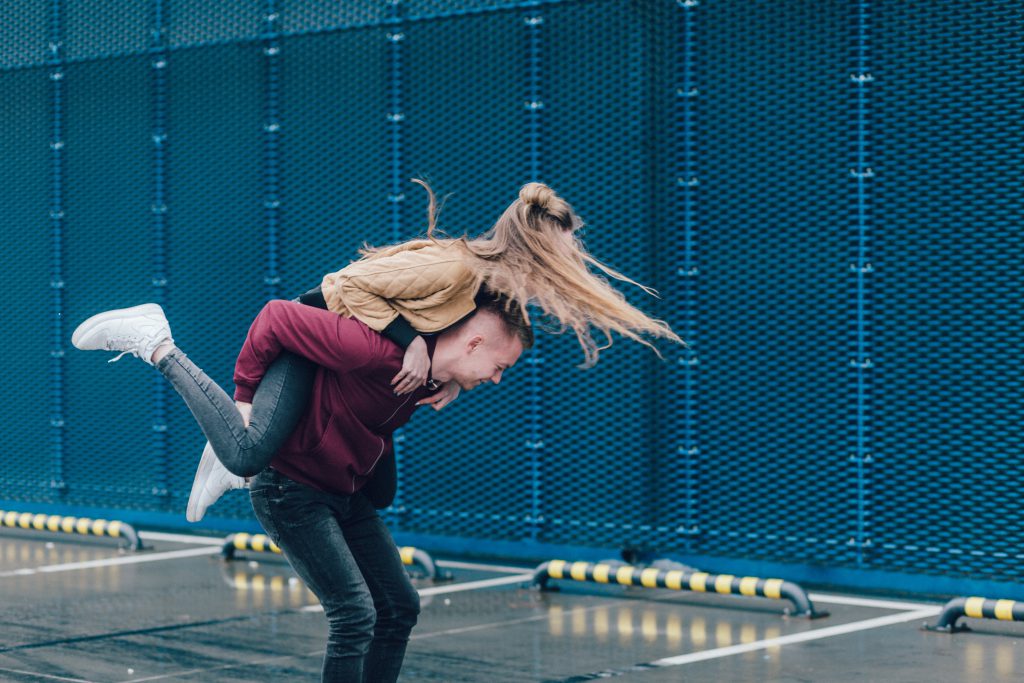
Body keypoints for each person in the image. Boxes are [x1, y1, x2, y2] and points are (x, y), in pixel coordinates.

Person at [71, 294, 532, 682]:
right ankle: (158, 346)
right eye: (499, 366)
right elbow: (278, 314)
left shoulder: (428, 374)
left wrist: (448, 379)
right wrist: (245, 403)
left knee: (399, 606)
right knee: (354, 614)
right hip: (290, 490)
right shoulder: (377, 351)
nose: (496, 379)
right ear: (473, 343)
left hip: (342, 491)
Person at [177, 180, 686, 520]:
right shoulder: (458, 268)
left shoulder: (491, 291)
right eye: (568, 249)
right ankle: (206, 416)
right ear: (539, 247)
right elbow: (343, 285)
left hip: (349, 353)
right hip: (312, 335)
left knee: (374, 493)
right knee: (249, 450)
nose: (574, 260)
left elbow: (461, 345)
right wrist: (409, 341)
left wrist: (452, 381)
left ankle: (231, 452)